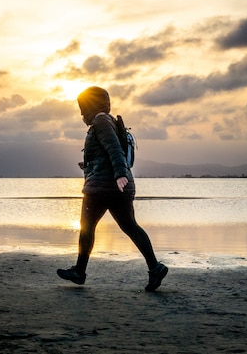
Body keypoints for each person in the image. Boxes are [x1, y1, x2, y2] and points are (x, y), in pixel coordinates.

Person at [57, 86, 168, 291]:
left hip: (103, 188)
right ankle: (155, 267)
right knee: (130, 226)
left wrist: (119, 174)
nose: (81, 113)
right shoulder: (108, 121)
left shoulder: (100, 120)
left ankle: (79, 272)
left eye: (82, 107)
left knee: (87, 228)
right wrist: (91, 165)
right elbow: (107, 152)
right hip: (115, 186)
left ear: (90, 105)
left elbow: (115, 149)